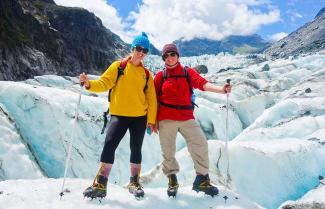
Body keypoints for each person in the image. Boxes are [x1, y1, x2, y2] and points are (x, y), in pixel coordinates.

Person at [80, 32, 157, 199]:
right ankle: (101, 183)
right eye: (139, 48)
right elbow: (104, 82)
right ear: (133, 48)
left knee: (135, 149)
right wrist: (89, 84)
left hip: (139, 117)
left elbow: (152, 99)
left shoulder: (146, 74)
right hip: (119, 115)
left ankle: (134, 182)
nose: (141, 52)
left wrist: (151, 120)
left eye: (145, 50)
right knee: (109, 144)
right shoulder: (119, 67)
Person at [154, 43, 232, 197]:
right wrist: (152, 120)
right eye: (166, 55)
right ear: (163, 58)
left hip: (186, 118)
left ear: (177, 55)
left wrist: (221, 90)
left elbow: (203, 84)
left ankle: (202, 179)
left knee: (200, 144)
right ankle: (172, 179)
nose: (170, 58)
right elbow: (153, 99)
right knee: (167, 151)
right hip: (166, 118)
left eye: (172, 54)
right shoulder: (160, 76)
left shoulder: (187, 72)